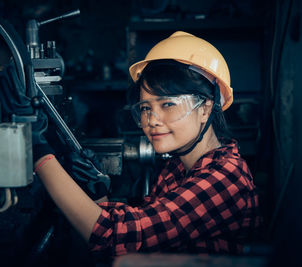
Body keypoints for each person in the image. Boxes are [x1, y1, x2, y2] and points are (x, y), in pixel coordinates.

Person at [32, 31, 260, 257]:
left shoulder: (225, 177)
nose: (152, 120)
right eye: (145, 108)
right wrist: (98, 194)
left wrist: (39, 155)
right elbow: (142, 237)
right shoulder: (177, 168)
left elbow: (114, 236)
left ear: (205, 109)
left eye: (168, 104)